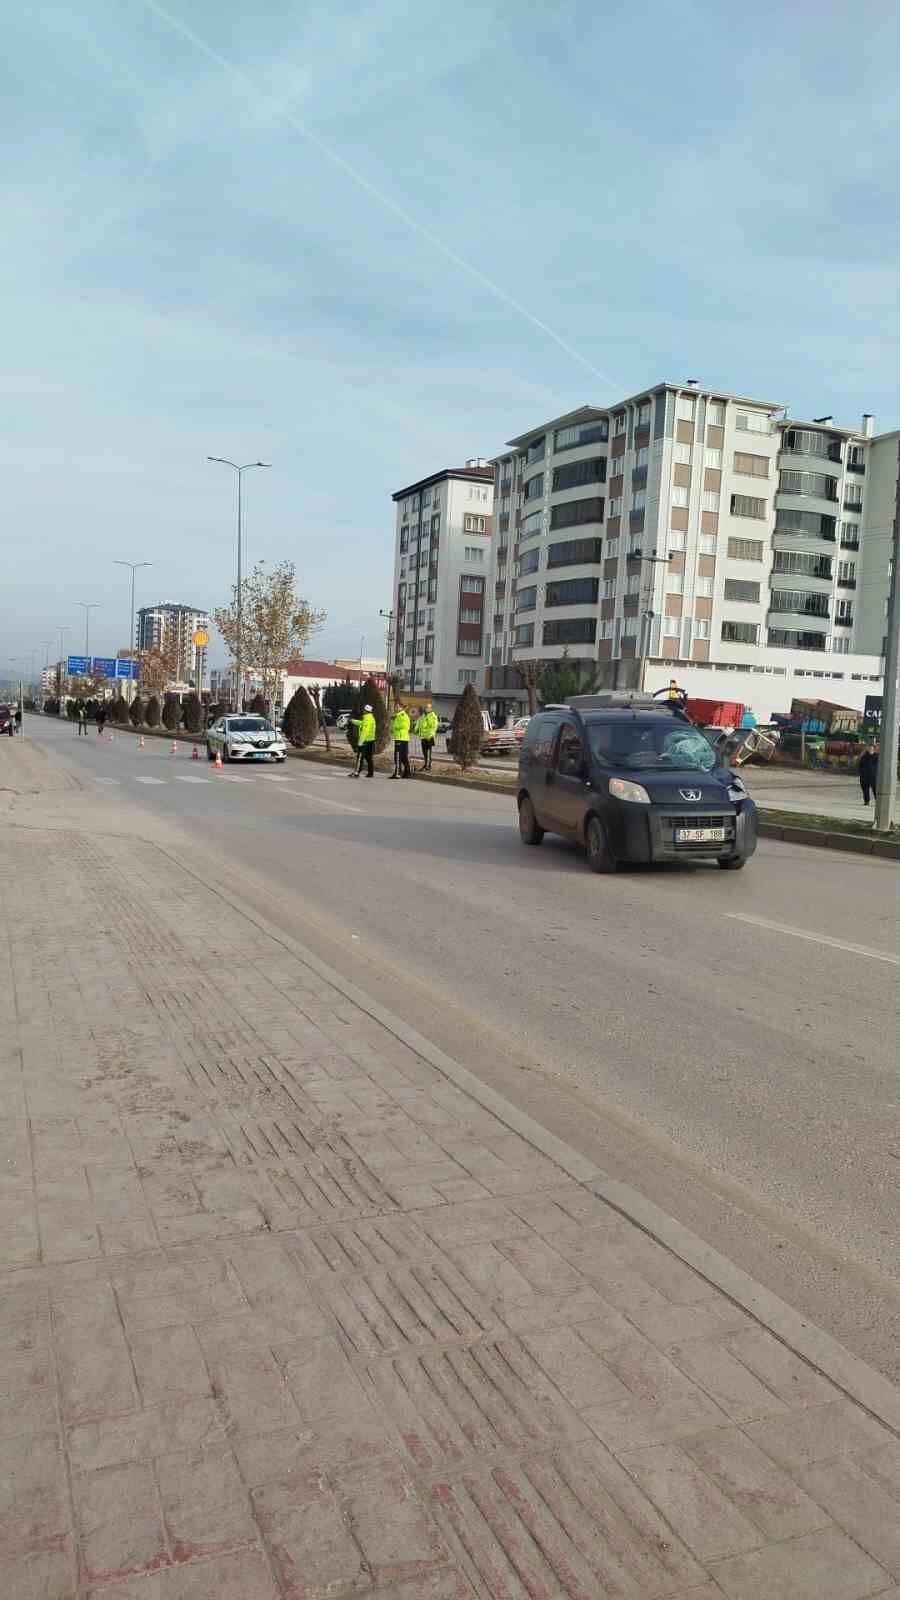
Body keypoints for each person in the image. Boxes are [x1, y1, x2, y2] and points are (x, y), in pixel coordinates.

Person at [349, 703, 377, 777]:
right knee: (368, 757)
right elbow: (362, 723)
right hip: (371, 740)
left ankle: (356, 772)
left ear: (366, 711)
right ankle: (370, 773)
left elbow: (365, 731)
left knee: (360, 757)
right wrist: (353, 721)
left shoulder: (367, 719)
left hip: (365, 741)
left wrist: (360, 743)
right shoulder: (370, 718)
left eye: (364, 710)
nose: (363, 711)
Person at [415, 703, 439, 771]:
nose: (426, 708)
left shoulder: (433, 716)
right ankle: (426, 764)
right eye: (426, 707)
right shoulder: (423, 716)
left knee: (428, 752)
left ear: (431, 709)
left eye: (428, 707)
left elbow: (434, 727)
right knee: (424, 752)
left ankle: (428, 766)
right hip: (423, 737)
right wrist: (416, 729)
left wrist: (430, 735)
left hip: (429, 737)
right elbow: (419, 723)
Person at [390, 704, 411, 779]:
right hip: (402, 738)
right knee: (403, 757)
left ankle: (398, 773)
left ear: (402, 708)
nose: (396, 708)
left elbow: (405, 726)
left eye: (398, 707)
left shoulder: (402, 715)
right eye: (395, 707)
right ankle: (407, 773)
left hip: (400, 738)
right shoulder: (399, 715)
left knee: (398, 756)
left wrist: (395, 727)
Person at [858, 742, 879, 807]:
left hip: (873, 776)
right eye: (869, 748)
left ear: (874, 749)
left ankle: (878, 802)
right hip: (865, 776)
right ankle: (866, 802)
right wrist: (861, 773)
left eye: (871, 748)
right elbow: (860, 766)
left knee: (875, 790)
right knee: (865, 790)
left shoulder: (877, 756)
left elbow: (879, 766)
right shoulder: (864, 756)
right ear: (867, 749)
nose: (870, 749)